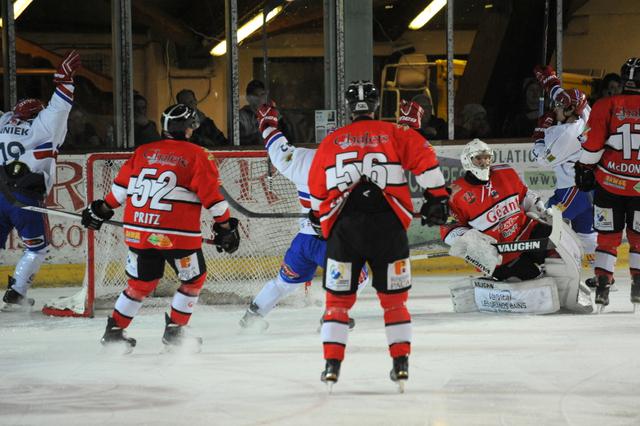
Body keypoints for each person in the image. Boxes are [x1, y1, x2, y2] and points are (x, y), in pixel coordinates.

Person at [308, 80, 450, 391]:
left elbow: (316, 192)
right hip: (389, 228)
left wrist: (319, 216)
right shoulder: (396, 133)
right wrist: (437, 197)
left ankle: (332, 366)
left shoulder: (331, 141)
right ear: (376, 106)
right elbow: (426, 162)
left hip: (345, 230)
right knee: (395, 302)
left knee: (337, 303)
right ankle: (401, 364)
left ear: (349, 108)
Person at [81, 103, 240, 351]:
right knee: (193, 279)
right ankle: (175, 332)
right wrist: (225, 227)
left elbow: (118, 193)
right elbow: (213, 199)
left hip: (140, 233)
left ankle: (114, 333)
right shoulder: (198, 155)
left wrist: (100, 210)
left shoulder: (143, 151)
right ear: (189, 128)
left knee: (140, 284)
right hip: (174, 237)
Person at [238, 103, 369, 331]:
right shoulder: (354, 166)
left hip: (304, 242)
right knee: (359, 278)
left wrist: (268, 123)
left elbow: (276, 148)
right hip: (334, 243)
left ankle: (252, 317)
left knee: (283, 284)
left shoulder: (302, 158)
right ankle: (333, 315)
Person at [442, 139, 592, 314]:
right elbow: (449, 231)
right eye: (478, 158)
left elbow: (525, 195)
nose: (484, 162)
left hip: (526, 232)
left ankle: (567, 290)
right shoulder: (455, 193)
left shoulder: (505, 172)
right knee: (533, 282)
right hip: (499, 254)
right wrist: (473, 242)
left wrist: (540, 209)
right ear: (468, 161)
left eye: (487, 157)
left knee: (556, 249)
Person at [0, 50, 81, 310]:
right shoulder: (42, 126)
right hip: (24, 198)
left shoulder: (3, 122)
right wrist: (65, 80)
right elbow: (59, 108)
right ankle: (16, 294)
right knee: (37, 248)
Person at [574, 57, 640, 311]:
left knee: (607, 238)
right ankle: (638, 285)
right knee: (638, 238)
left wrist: (584, 168)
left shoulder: (605, 105)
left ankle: (602, 284)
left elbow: (592, 146)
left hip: (610, 184)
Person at [531, 65, 596, 267]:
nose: (556, 108)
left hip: (572, 191)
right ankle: (600, 273)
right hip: (586, 189)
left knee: (546, 221)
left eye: (560, 106)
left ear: (569, 111)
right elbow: (563, 97)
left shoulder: (565, 135)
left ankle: (549, 260)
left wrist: (540, 131)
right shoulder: (585, 113)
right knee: (586, 234)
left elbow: (540, 159)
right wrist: (551, 82)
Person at [239, 80, 291, 146]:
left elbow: (286, 136)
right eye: (255, 95)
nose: (259, 98)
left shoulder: (274, 113)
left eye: (262, 94)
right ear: (248, 98)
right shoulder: (241, 116)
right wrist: (258, 137)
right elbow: (239, 142)